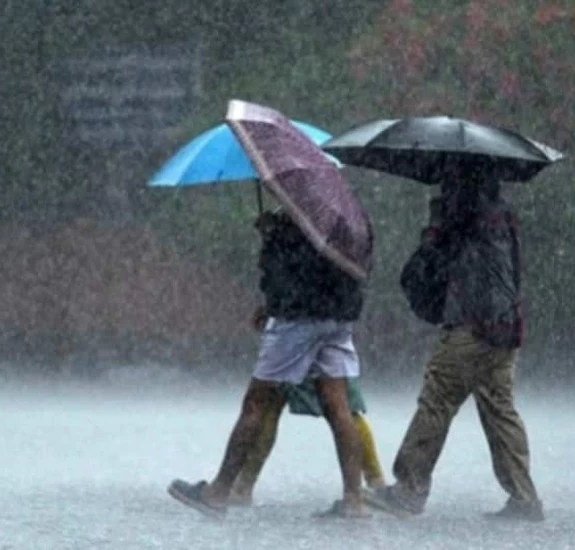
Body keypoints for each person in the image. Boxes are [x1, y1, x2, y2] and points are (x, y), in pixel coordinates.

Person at [167, 208, 370, 519]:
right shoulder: (349, 215)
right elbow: (348, 267)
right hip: (340, 317)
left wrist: (272, 238)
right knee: (339, 406)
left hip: (298, 319)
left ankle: (219, 492)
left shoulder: (297, 218)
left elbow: (288, 272)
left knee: (257, 403)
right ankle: (354, 500)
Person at [364, 177, 544, 521]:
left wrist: (436, 224)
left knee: (437, 400)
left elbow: (430, 263)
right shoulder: (504, 215)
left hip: (472, 326)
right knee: (500, 409)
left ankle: (408, 490)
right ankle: (524, 496)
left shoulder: (462, 215)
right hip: (506, 326)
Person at [227, 372, 386, 507]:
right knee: (343, 406)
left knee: (270, 401)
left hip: (294, 343)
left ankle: (243, 486)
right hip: (321, 341)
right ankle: (376, 483)